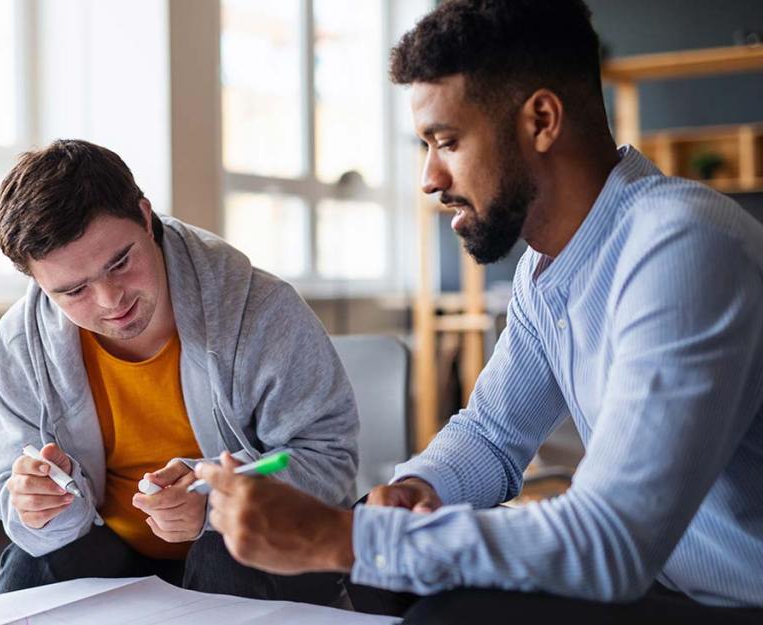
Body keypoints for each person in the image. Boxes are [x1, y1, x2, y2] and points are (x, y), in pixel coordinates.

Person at [195, 1, 763, 622]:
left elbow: (611, 542)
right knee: (400, 577)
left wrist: (339, 537)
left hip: (734, 599)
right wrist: (419, 488)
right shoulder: (546, 271)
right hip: (663, 584)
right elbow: (492, 436)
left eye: (447, 141)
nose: (429, 178)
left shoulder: (681, 246)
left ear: (541, 120)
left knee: (441, 605)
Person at [0, 139, 357, 605]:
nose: (111, 300)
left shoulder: (261, 310)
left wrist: (215, 501)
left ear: (145, 216)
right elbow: (12, 485)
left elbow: (330, 461)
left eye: (120, 262)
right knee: (32, 565)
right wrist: (38, 506)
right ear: (38, 283)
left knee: (228, 550)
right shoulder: (23, 342)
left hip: (250, 549)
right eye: (73, 290)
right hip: (116, 551)